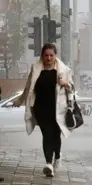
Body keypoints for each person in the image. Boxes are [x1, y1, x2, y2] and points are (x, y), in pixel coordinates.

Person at [13, 43, 74, 178]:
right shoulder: (36, 69)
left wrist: (65, 83)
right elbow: (28, 87)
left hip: (58, 108)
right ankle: (48, 164)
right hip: (41, 108)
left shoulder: (63, 70)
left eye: (51, 55)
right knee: (47, 134)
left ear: (55, 56)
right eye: (46, 55)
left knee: (56, 135)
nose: (48, 58)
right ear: (42, 56)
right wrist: (19, 100)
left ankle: (57, 156)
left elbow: (72, 88)